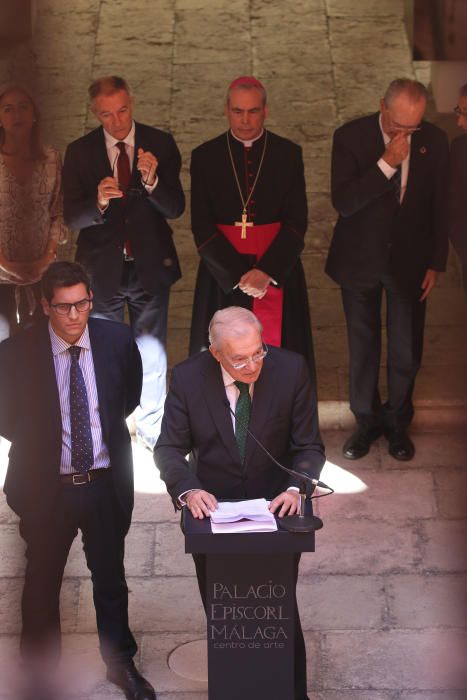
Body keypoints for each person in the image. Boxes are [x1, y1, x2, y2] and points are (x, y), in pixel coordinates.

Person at [0, 262, 156, 700]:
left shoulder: (117, 340)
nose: (74, 315)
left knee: (110, 576)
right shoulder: (17, 354)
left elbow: (127, 397)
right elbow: (9, 419)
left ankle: (120, 663)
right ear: (45, 305)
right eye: (64, 307)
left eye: (82, 304)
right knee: (42, 580)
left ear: (91, 299)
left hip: (104, 482)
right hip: (48, 487)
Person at [154, 306, 325, 700]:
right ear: (216, 353)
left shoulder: (291, 369)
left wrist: (297, 488)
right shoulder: (187, 377)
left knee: (278, 607)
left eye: (258, 352)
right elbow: (169, 449)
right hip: (214, 514)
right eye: (240, 358)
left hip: (276, 510)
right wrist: (188, 490)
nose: (252, 365)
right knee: (225, 613)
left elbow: (309, 445)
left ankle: (292, 694)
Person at [326, 78, 449, 461]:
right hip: (360, 260)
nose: (407, 135)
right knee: (363, 346)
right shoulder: (350, 137)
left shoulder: (435, 141)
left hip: (409, 262)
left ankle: (397, 422)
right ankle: (366, 421)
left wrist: (435, 262)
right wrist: (386, 164)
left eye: (413, 128)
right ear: (383, 107)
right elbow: (344, 202)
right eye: (399, 126)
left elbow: (439, 206)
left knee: (405, 350)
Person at [63, 76, 185, 449]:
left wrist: (152, 181)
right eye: (106, 115)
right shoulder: (81, 152)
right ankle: (107, 429)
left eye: (122, 111)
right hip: (101, 271)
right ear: (94, 113)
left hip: (149, 265)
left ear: (131, 102)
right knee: (103, 352)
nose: (117, 122)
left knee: (152, 352)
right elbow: (71, 218)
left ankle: (152, 430)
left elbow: (176, 207)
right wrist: (98, 203)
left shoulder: (160, 143)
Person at [189, 76, 315, 379]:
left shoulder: (287, 154)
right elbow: (201, 226)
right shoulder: (206, 156)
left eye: (253, 111)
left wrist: (266, 271)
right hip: (223, 279)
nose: (245, 120)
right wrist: (237, 276)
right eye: (237, 111)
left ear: (266, 111)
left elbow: (297, 223)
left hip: (275, 273)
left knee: (281, 361)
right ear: (226, 110)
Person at [0, 85, 67, 341]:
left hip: (42, 274)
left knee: (39, 349)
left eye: (23, 107)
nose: (17, 115)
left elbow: (57, 210)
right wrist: (7, 265)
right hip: (0, 277)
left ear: (35, 115)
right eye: (8, 109)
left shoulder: (50, 158)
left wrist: (45, 259)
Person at [448, 83, 467, 297]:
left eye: (466, 114)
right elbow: (455, 213)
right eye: (459, 112)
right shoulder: (460, 149)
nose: (459, 121)